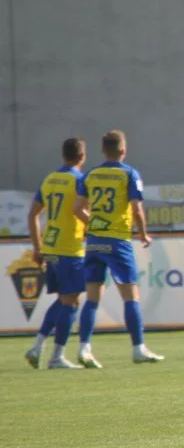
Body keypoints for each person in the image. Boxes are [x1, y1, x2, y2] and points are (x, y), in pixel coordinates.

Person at [74, 130, 163, 367]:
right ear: (123, 150)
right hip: (118, 242)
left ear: (103, 150)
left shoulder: (91, 175)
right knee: (130, 296)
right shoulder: (129, 174)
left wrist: (94, 224)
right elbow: (136, 209)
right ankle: (138, 348)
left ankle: (84, 349)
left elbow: (77, 209)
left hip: (93, 242)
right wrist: (143, 234)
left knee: (92, 297)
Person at [23, 138, 89, 369]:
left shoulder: (49, 179)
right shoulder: (80, 180)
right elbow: (80, 211)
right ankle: (56, 356)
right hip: (70, 248)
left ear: (63, 155)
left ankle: (38, 347)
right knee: (71, 302)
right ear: (82, 157)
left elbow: (33, 214)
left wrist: (37, 247)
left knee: (64, 299)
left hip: (50, 247)